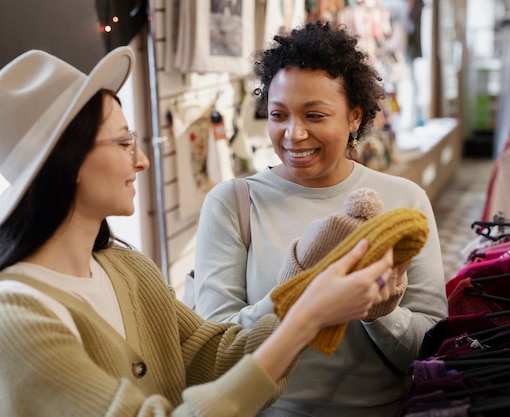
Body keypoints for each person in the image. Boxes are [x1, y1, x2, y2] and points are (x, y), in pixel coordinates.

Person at [0, 46, 398, 417]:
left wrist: (311, 294)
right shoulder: (16, 317)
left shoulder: (127, 269)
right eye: (123, 142)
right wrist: (306, 318)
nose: (141, 160)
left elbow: (215, 354)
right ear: (68, 163)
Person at [194, 21, 448, 416]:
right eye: (279, 115)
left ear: (353, 117)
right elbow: (214, 351)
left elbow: (429, 348)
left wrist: (377, 311)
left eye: (314, 115)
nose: (293, 134)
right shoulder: (233, 204)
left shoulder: (405, 201)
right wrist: (297, 290)